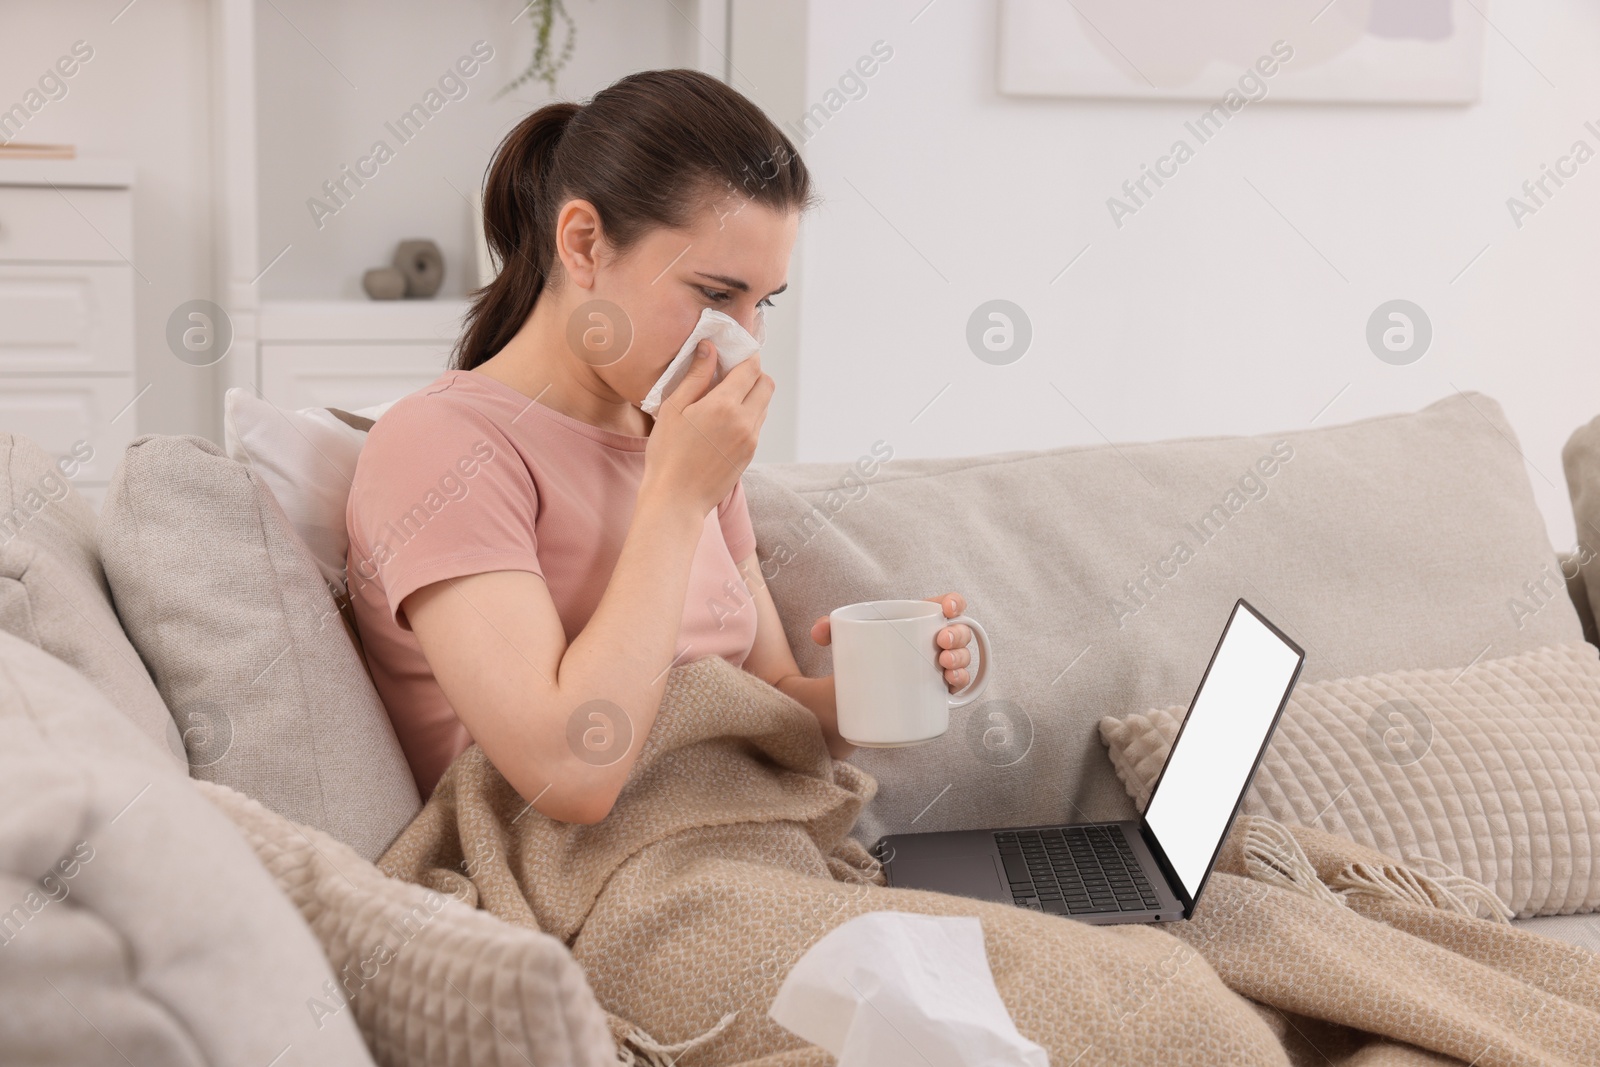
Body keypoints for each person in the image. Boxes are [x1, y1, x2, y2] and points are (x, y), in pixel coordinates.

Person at [345, 68, 978, 823]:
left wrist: (895, 677)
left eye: (762, 302)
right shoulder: (442, 446)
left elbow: (772, 700)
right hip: (582, 872)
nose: (744, 340)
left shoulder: (676, 434)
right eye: (715, 295)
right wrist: (676, 496)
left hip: (750, 830)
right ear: (583, 244)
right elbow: (568, 778)